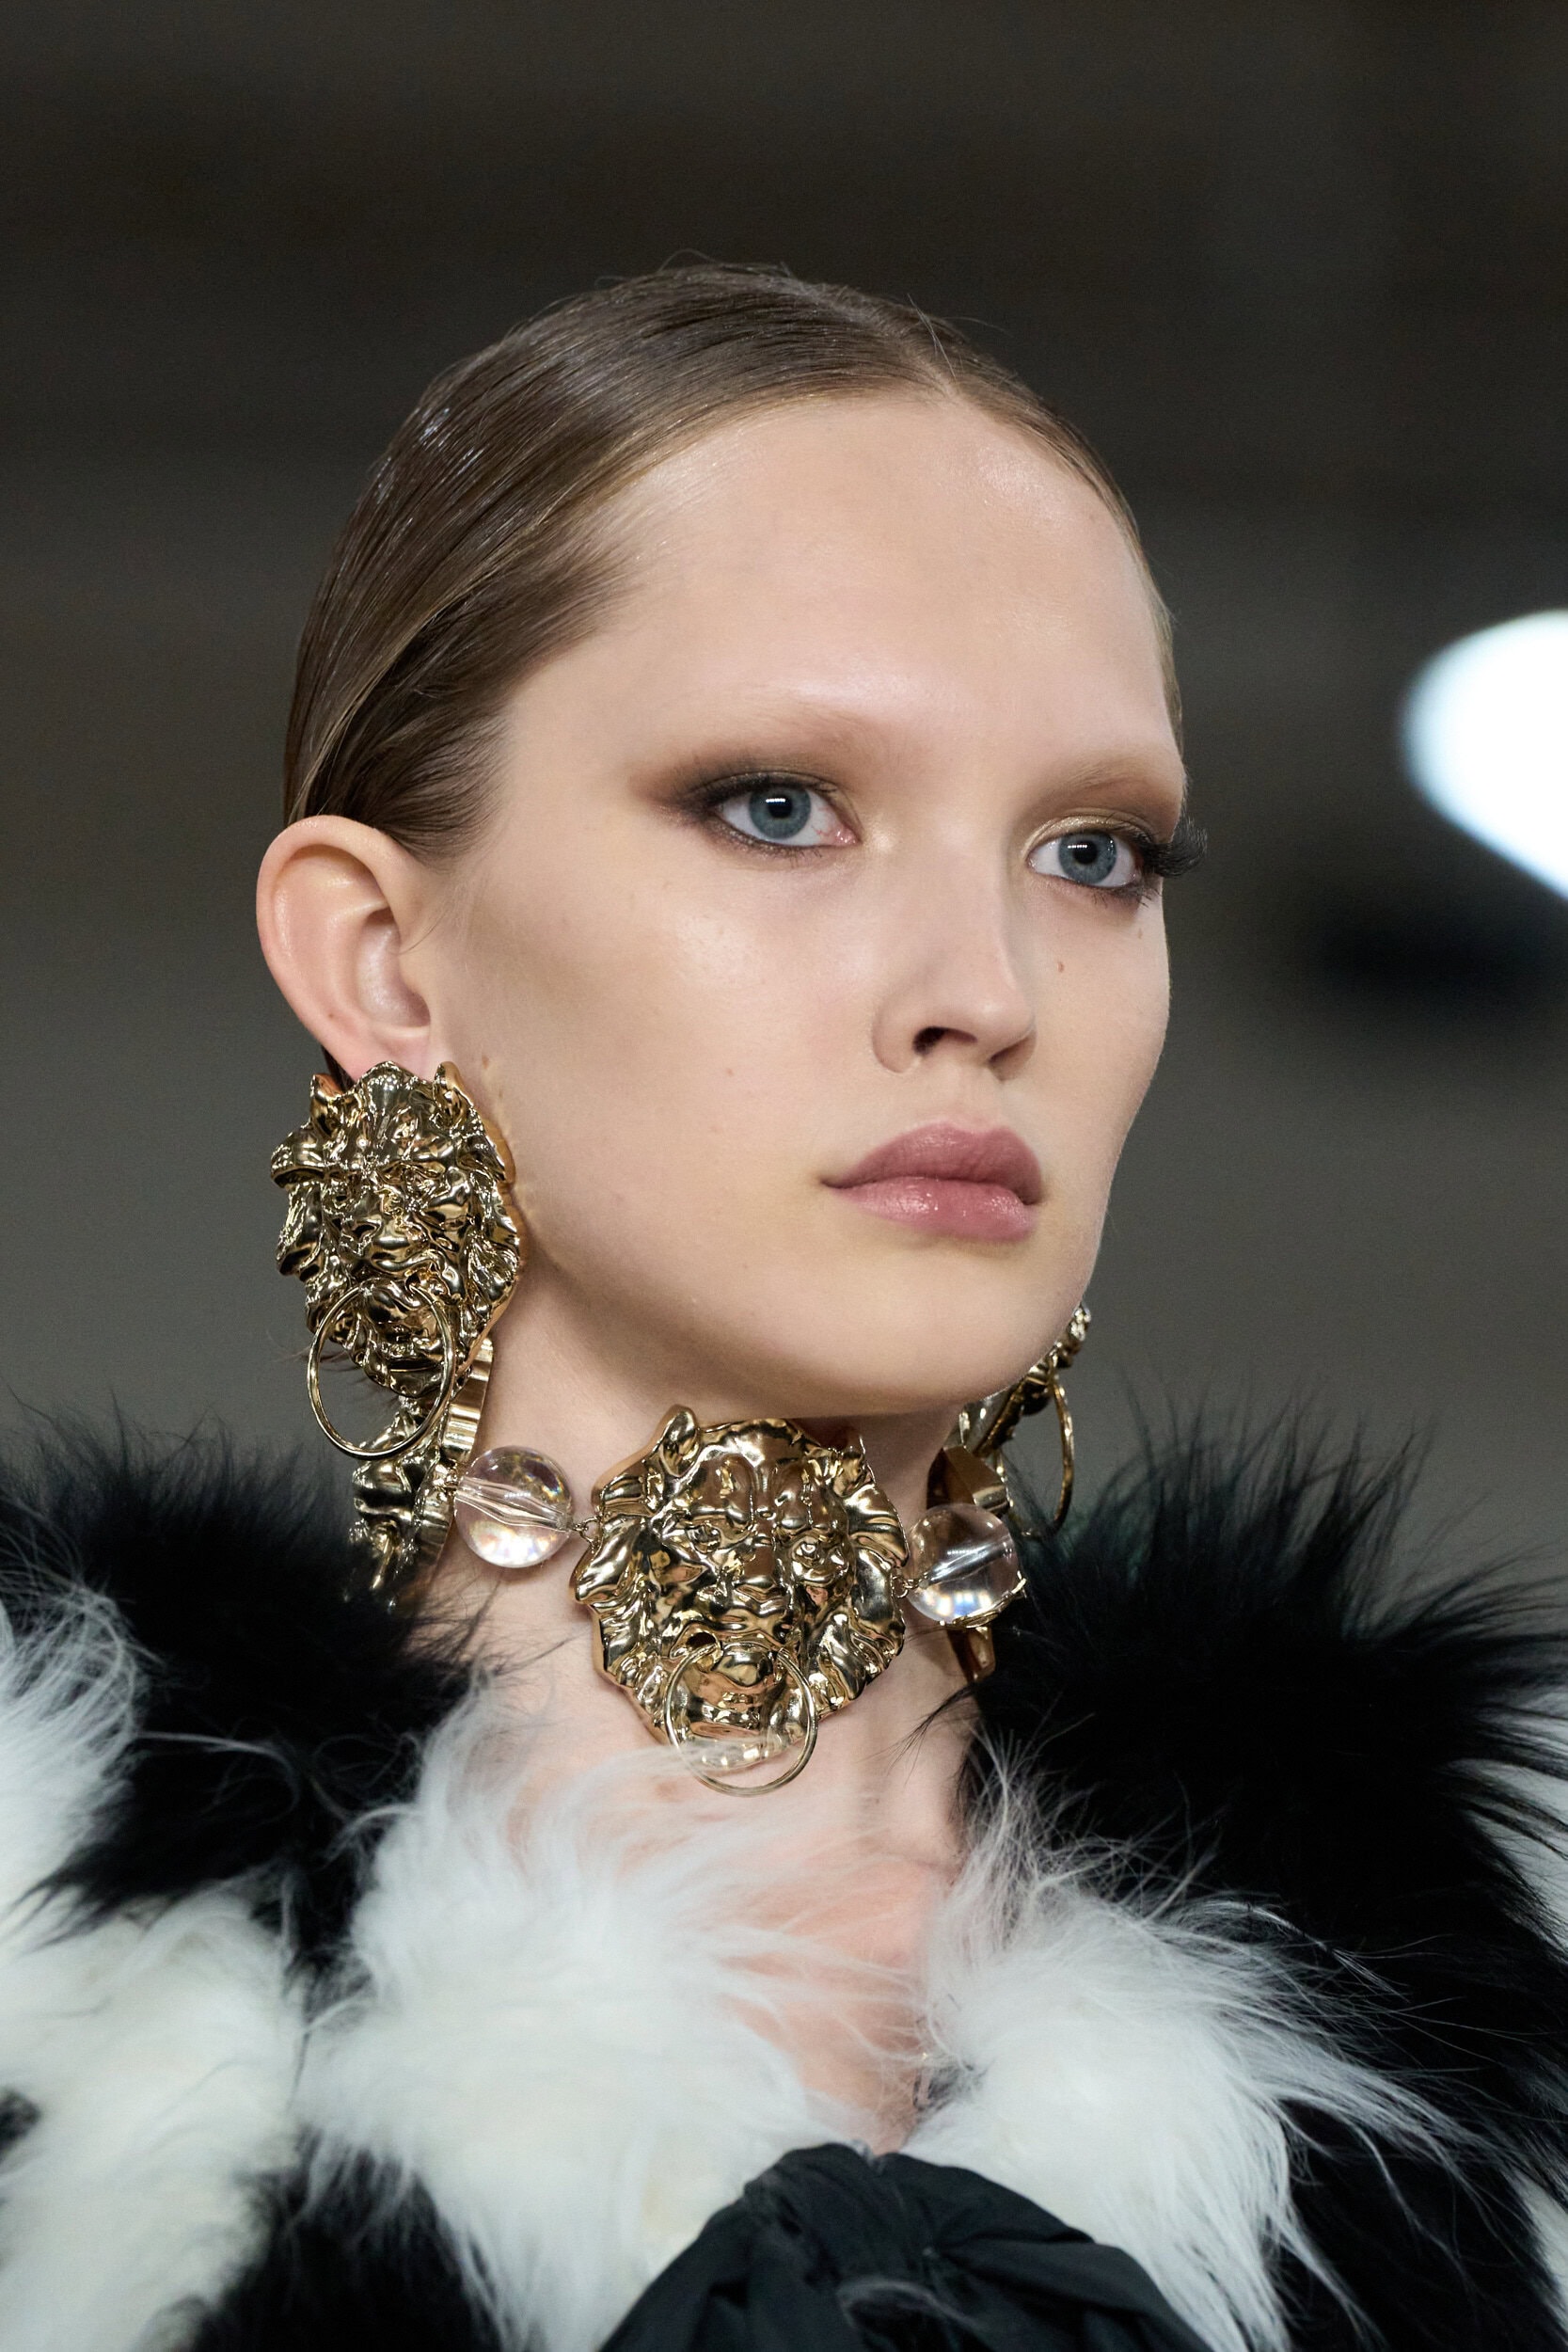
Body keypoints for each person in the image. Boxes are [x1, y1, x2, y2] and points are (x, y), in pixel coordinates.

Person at [1, 264, 1565, 2352]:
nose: (986, 990)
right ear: (381, 957)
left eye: (1095, 853)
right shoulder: (43, 1960)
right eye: (778, 808)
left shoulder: (1488, 2007)